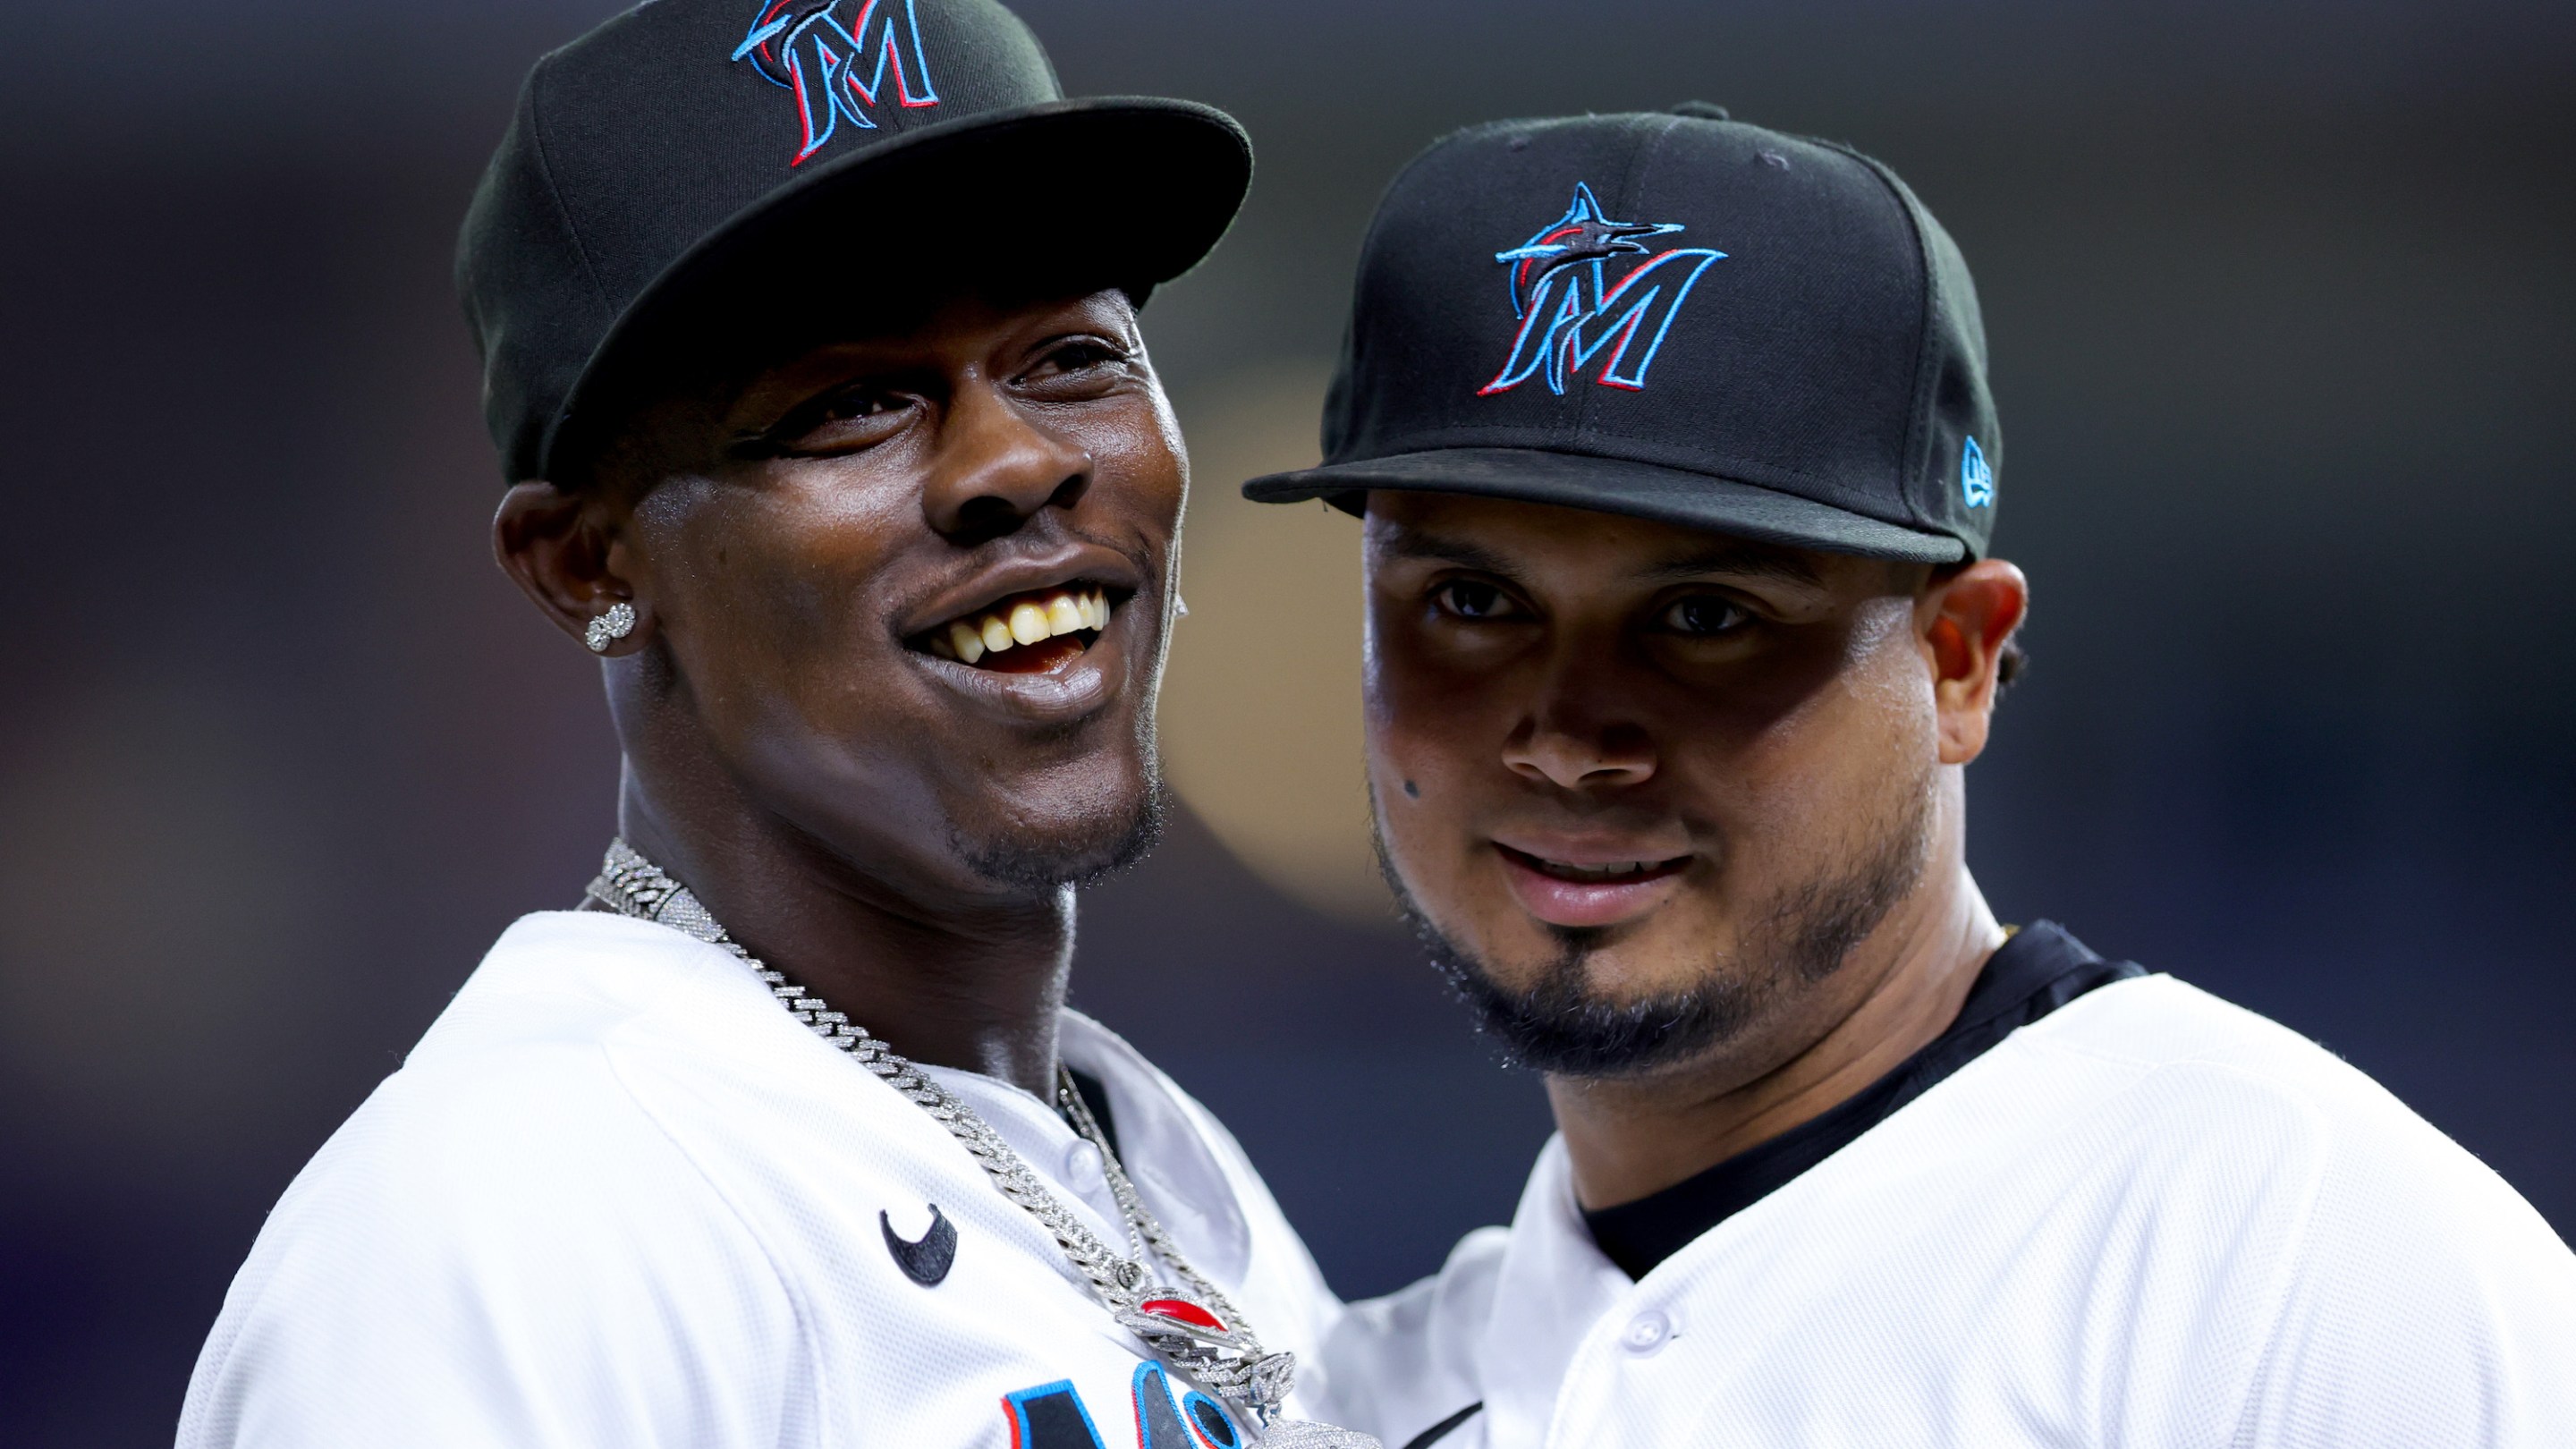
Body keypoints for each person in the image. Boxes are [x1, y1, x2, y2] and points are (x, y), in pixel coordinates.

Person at [1244, 106, 2576, 1448]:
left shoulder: (2291, 1266)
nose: (1571, 737)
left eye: (1706, 617)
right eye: (1473, 599)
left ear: (1959, 662)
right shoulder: (1364, 1396)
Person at [175, 1, 1377, 1444]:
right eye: (852, 406)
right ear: (590, 566)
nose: (1015, 460)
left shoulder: (1164, 1176)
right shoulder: (514, 1221)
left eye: (1071, 356)